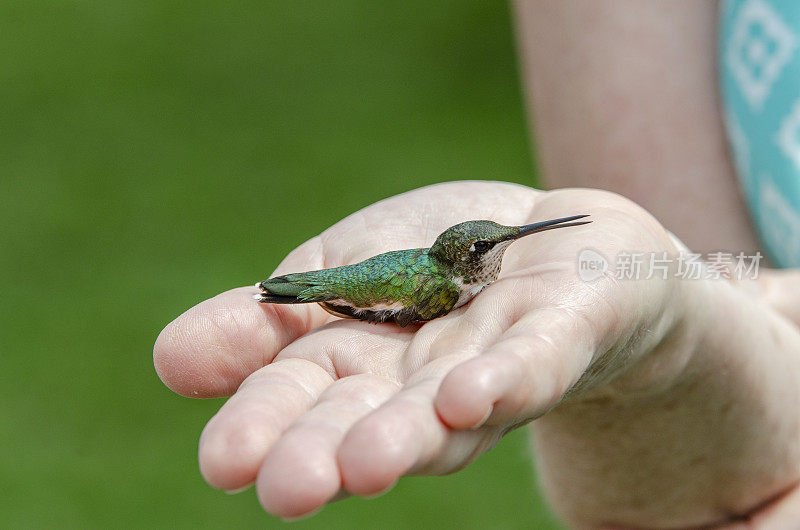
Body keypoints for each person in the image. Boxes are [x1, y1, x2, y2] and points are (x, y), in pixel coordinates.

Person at [154, 2, 800, 528]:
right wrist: (682, 325)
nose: (504, 248)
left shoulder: (458, 269)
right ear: (469, 262)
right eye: (492, 247)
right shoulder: (444, 287)